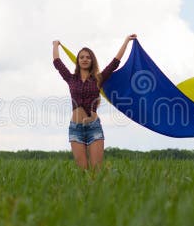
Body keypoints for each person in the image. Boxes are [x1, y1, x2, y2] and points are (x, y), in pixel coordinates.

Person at [52, 34, 137, 170]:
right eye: (82, 57)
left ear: (92, 61)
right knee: (83, 172)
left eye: (88, 57)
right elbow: (57, 62)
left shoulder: (98, 78)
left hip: (94, 128)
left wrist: (126, 41)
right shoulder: (71, 78)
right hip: (76, 129)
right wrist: (56, 45)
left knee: (96, 172)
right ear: (78, 61)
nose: (85, 59)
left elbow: (115, 62)